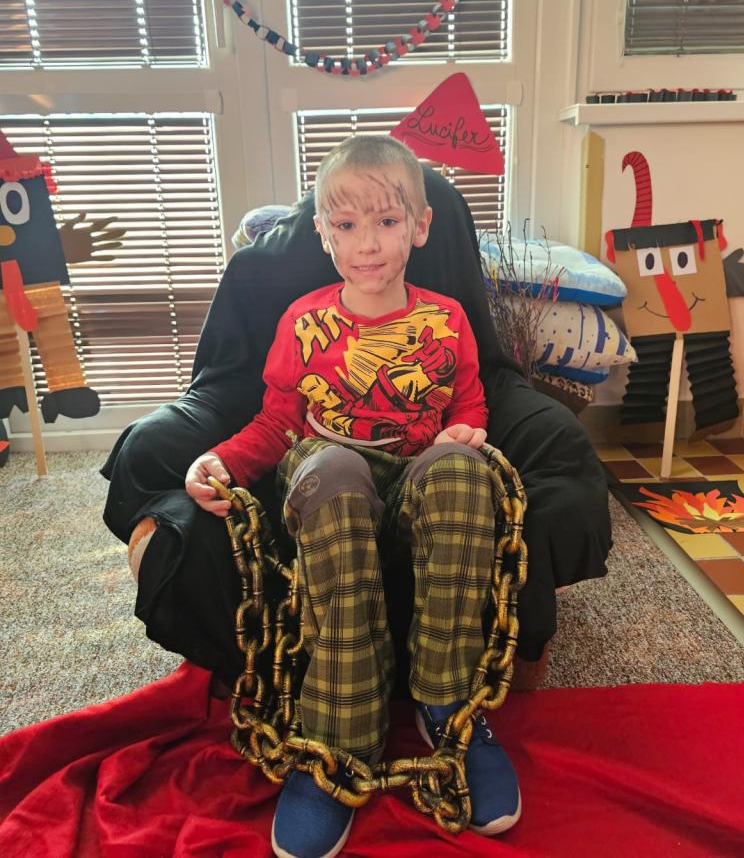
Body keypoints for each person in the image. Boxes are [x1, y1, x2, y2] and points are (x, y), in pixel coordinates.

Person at [183, 135, 521, 858]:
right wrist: (221, 460)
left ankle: (448, 706)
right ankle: (342, 728)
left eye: (387, 222)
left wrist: (466, 433)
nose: (367, 243)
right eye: (347, 224)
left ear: (419, 227)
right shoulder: (303, 323)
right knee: (333, 472)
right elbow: (275, 423)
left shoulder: (446, 319)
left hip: (418, 475)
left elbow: (470, 402)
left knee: (463, 472)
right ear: (324, 233)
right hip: (329, 471)